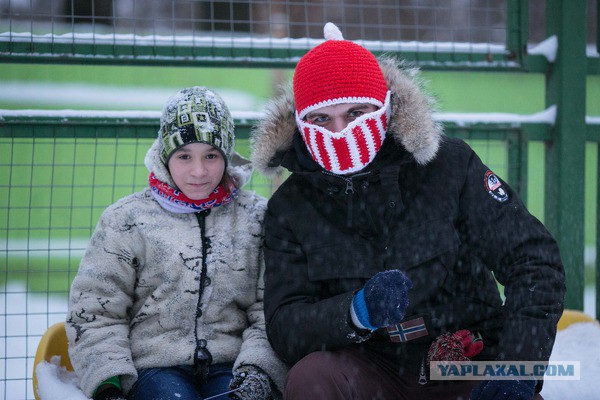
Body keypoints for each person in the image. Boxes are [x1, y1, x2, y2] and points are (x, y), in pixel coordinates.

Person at [251, 23, 566, 400]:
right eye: (322, 119)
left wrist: (517, 369)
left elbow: (533, 261)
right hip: (369, 363)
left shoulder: (449, 166)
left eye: (356, 112)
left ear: (384, 108)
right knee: (310, 379)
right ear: (302, 125)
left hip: (466, 354)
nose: (341, 131)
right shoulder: (291, 204)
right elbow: (285, 325)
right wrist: (355, 313)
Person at [66, 87, 287, 400]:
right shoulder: (127, 220)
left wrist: (258, 371)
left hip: (234, 367)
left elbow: (271, 309)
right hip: (153, 369)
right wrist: (108, 382)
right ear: (165, 156)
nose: (198, 171)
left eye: (211, 156)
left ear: (226, 155)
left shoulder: (256, 217)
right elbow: (96, 310)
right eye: (184, 156)